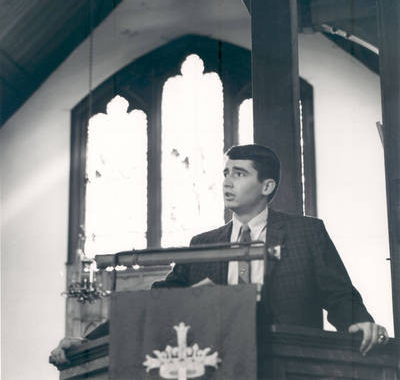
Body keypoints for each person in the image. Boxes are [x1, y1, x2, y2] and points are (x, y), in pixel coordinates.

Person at [152, 144, 389, 355]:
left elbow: (340, 296)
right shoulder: (202, 243)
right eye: (226, 173)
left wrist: (360, 322)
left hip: (288, 362)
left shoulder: (307, 233)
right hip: (218, 360)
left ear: (267, 186)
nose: (227, 181)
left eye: (240, 174)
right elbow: (164, 297)